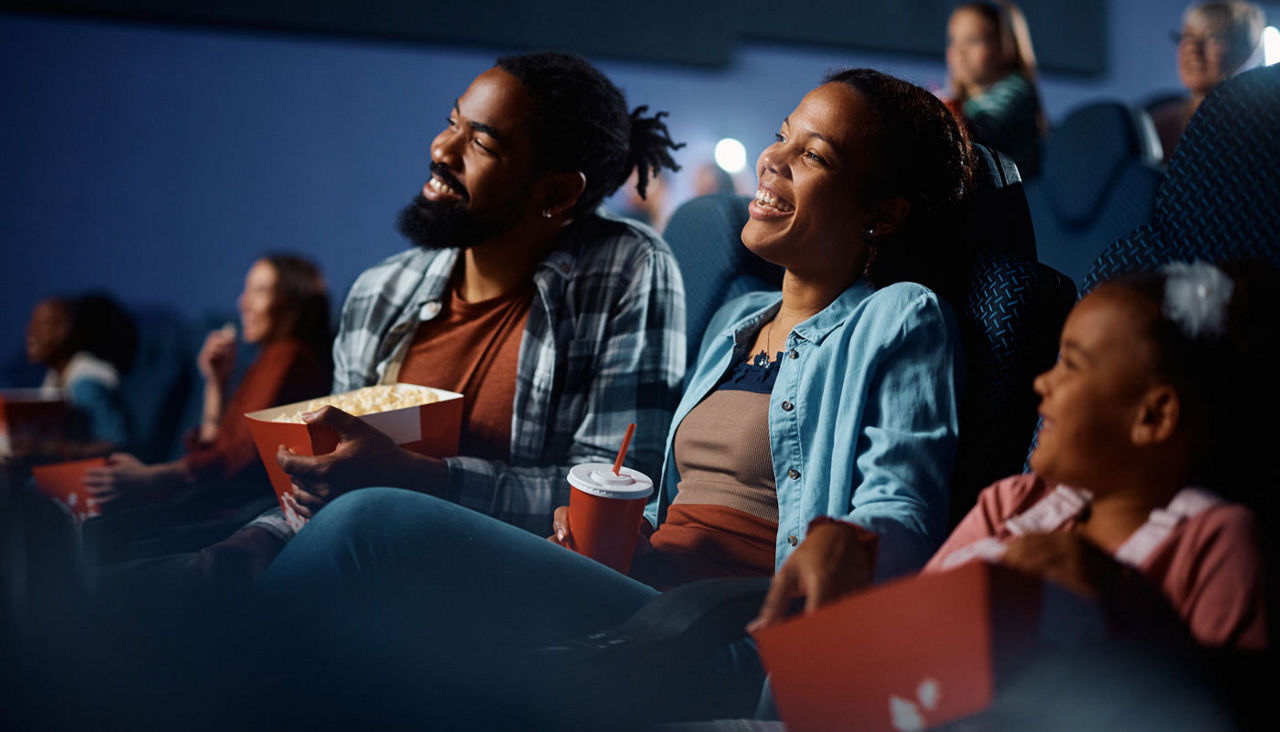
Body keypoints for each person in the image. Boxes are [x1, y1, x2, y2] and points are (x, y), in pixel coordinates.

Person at [253, 66, 973, 726]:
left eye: (815, 156)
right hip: (642, 595)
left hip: (724, 636)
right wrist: (599, 534)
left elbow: (902, 510)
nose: (772, 158)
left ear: (883, 214)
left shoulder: (898, 316)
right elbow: (671, 505)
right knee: (383, 641)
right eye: (783, 136)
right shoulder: (733, 324)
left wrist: (848, 544)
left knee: (371, 525)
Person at [191, 52, 688, 582]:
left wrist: (424, 479)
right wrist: (264, 535)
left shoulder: (626, 268)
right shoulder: (381, 291)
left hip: (501, 590)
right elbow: (331, 480)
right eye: (452, 122)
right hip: (357, 567)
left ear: (557, 192)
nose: (442, 149)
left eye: (481, 143)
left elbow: (611, 489)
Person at [754, 261, 1273, 654]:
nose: (1043, 384)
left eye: (1071, 365)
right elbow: (916, 637)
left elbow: (1220, 703)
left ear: (1153, 418)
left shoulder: (1215, 540)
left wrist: (1114, 598)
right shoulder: (1012, 503)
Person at [79, 255, 332, 560]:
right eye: (246, 291)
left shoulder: (288, 355)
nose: (243, 303)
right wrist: (215, 383)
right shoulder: (269, 357)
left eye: (259, 291)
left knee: (100, 537)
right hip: (223, 496)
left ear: (293, 301)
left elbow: (239, 457)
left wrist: (152, 476)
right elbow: (218, 448)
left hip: (239, 504)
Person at [1151, 2, 1266, 164]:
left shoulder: (1262, 128)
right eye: (1187, 36)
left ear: (1244, 51)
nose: (1192, 48)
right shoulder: (1157, 127)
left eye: (1212, 38)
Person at [944, 1, 1045, 177]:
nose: (960, 51)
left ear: (1004, 46)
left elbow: (982, 131)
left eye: (974, 40)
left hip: (1012, 197)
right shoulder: (963, 101)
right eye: (953, 40)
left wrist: (943, 116)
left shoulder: (1017, 90)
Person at [24, 293, 136, 451]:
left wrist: (54, 450)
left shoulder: (85, 383)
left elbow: (116, 443)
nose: (31, 332)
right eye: (32, 323)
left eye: (47, 324)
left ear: (74, 332)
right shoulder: (55, 377)